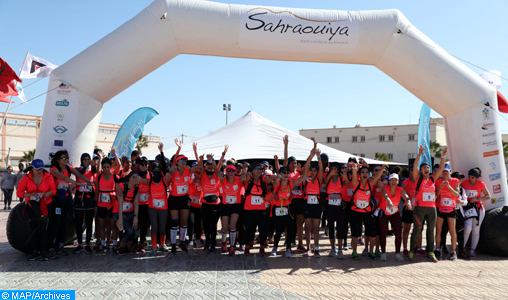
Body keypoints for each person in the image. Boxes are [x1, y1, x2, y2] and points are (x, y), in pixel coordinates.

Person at [49, 150, 92, 258]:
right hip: (56, 199)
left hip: (66, 198)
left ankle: (60, 246)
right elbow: (63, 178)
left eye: (67, 157)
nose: (66, 159)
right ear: (58, 160)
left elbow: (78, 174)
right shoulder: (54, 170)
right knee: (56, 223)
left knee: (64, 222)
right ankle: (51, 247)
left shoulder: (68, 168)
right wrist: (75, 182)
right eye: (63, 158)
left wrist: (87, 180)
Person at [408, 145, 447, 263]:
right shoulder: (417, 178)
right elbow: (415, 166)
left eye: (428, 167)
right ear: (421, 170)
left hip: (432, 209)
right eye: (424, 167)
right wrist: (419, 154)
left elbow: (441, 168)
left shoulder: (432, 179)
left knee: (431, 230)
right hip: (419, 209)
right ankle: (411, 251)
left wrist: (443, 156)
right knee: (417, 229)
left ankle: (430, 252)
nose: (427, 169)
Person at [17, 159, 56, 261]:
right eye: (37, 169)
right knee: (32, 228)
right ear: (32, 168)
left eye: (41, 169)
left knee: (44, 228)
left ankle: (44, 251)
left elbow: (53, 190)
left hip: (45, 204)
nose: (39, 171)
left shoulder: (48, 177)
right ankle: (35, 251)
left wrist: (48, 193)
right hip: (32, 205)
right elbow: (19, 193)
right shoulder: (26, 178)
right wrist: (30, 194)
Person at [282, 135, 316, 253]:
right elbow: (285, 160)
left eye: (295, 163)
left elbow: (307, 164)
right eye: (292, 163)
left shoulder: (300, 172)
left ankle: (300, 243)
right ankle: (288, 241)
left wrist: (311, 154)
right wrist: (286, 145)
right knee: (289, 223)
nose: (294, 165)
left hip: (300, 200)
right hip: (290, 200)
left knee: (300, 223)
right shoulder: (287, 173)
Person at [193, 142, 227, 253]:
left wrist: (218, 157)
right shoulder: (203, 174)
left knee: (213, 224)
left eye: (211, 164)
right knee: (206, 224)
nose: (209, 166)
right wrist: (199, 156)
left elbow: (217, 166)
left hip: (215, 204)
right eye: (207, 165)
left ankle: (213, 241)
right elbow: (200, 165)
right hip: (205, 203)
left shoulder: (217, 174)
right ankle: (208, 241)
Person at [349, 161, 387, 260]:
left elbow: (377, 177)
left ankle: (371, 251)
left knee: (373, 232)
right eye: (362, 172)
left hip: (367, 211)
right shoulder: (356, 183)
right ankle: (354, 251)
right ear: (360, 175)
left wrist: (382, 168)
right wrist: (354, 168)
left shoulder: (370, 184)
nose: (365, 173)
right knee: (355, 233)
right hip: (356, 212)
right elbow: (354, 176)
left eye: (366, 172)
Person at [167, 139, 195, 254]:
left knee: (184, 222)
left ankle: (182, 242)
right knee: (175, 222)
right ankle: (173, 244)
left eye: (185, 160)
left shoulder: (188, 170)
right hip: (174, 199)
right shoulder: (173, 170)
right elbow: (173, 161)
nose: (184, 161)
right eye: (181, 160)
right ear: (177, 162)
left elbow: (197, 168)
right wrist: (179, 148)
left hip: (184, 199)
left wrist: (198, 156)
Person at [243, 162, 275, 256]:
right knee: (248, 228)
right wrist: (247, 173)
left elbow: (269, 179)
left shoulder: (263, 179)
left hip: (261, 208)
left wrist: (274, 175)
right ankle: (247, 246)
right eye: (256, 169)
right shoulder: (249, 179)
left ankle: (261, 246)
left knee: (263, 228)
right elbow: (244, 178)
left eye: (260, 169)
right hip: (249, 208)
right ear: (252, 170)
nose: (259, 170)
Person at [140, 161, 171, 253]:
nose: (156, 172)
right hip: (152, 208)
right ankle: (154, 245)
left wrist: (162, 152)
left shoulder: (165, 181)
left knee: (162, 227)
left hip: (163, 208)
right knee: (154, 227)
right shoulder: (149, 181)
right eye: (155, 170)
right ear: (152, 171)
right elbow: (138, 178)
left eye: (158, 170)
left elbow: (168, 172)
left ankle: (162, 243)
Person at [379, 174, 411, 262]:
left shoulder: (400, 189)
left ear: (398, 181)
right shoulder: (385, 189)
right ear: (389, 181)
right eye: (391, 179)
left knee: (398, 233)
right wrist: (389, 201)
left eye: (395, 180)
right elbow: (385, 195)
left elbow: (405, 194)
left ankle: (397, 253)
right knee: (383, 233)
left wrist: (408, 200)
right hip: (384, 212)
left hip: (394, 213)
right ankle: (383, 253)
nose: (393, 181)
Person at [462, 167, 491, 257]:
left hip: (479, 209)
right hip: (468, 209)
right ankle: (462, 248)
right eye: (469, 177)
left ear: (477, 177)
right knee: (467, 228)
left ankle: (472, 250)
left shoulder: (481, 184)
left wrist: (477, 199)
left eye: (473, 177)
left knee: (476, 230)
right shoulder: (464, 183)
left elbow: (488, 196)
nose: (470, 179)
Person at [440, 171, 469, 259]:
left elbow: (466, 202)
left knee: (459, 232)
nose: (459, 180)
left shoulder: (462, 189)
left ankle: (460, 250)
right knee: (444, 231)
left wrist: (462, 202)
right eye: (457, 178)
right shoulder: (445, 186)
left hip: (458, 212)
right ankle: (443, 247)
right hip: (447, 211)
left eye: (460, 178)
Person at [434, 163, 461, 261]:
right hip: (441, 209)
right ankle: (437, 249)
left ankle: (453, 251)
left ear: (450, 172)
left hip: (451, 209)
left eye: (446, 171)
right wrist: (440, 188)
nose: (445, 173)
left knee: (452, 231)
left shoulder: (455, 181)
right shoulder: (438, 181)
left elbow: (456, 194)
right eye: (443, 171)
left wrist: (448, 186)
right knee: (438, 230)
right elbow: (436, 196)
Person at [73, 153, 98, 254]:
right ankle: (79, 244)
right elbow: (79, 174)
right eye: (85, 160)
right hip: (79, 198)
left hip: (89, 199)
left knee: (89, 223)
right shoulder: (77, 168)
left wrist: (93, 165)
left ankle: (87, 244)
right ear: (82, 160)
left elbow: (96, 172)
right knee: (79, 223)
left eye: (88, 159)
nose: (86, 161)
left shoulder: (92, 169)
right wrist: (86, 166)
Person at [301, 149, 324, 257]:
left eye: (315, 170)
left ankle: (316, 248)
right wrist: (311, 155)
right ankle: (308, 248)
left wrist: (318, 157)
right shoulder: (306, 179)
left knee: (316, 227)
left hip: (317, 205)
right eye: (312, 170)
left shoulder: (319, 179)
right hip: (307, 204)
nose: (313, 172)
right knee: (308, 227)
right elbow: (306, 167)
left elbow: (321, 170)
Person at [323, 162, 348, 259]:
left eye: (336, 168)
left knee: (340, 226)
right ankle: (333, 248)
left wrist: (345, 175)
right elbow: (324, 181)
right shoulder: (328, 177)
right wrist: (330, 174)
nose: (334, 170)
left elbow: (348, 184)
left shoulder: (341, 178)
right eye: (332, 168)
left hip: (339, 204)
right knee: (331, 226)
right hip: (329, 204)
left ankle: (340, 249)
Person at [219, 164, 246, 256]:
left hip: (236, 205)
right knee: (225, 227)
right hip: (225, 206)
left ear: (235, 172)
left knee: (233, 225)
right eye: (228, 171)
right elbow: (220, 176)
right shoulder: (224, 180)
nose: (230, 172)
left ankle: (232, 246)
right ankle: (223, 243)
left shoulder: (238, 180)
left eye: (232, 171)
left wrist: (245, 171)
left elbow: (244, 177)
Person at [94, 157, 119, 253]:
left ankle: (114, 244)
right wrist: (96, 204)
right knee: (101, 224)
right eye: (104, 167)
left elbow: (118, 191)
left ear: (111, 167)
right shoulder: (99, 176)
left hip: (112, 204)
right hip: (101, 204)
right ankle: (103, 243)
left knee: (113, 224)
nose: (106, 169)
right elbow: (96, 191)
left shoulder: (115, 177)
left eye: (108, 167)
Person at [270, 166, 295, 258]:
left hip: (288, 207)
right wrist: (278, 177)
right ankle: (275, 247)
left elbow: (298, 181)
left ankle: (288, 248)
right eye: (284, 172)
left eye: (287, 172)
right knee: (279, 230)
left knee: (289, 230)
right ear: (280, 174)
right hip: (277, 207)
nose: (286, 174)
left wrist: (303, 177)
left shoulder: (290, 183)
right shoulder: (278, 182)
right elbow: (276, 182)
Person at [401, 165, 425, 257]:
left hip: (419, 208)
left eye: (417, 170)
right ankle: (405, 248)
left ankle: (418, 248)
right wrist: (406, 197)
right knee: (406, 229)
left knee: (419, 229)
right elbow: (401, 190)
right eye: (412, 170)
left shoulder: (421, 181)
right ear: (410, 172)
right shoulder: (406, 181)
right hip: (408, 208)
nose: (415, 171)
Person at [114, 172, 141, 255]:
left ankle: (127, 246)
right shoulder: (122, 186)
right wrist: (120, 219)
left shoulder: (136, 188)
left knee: (136, 230)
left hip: (129, 211)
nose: (135, 179)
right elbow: (120, 202)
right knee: (129, 230)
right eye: (133, 177)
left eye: (137, 177)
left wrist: (136, 217)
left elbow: (136, 203)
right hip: (118, 211)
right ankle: (120, 247)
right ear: (129, 178)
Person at [134, 156, 151, 252]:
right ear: (138, 165)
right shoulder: (135, 174)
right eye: (142, 164)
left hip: (146, 203)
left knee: (144, 224)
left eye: (146, 164)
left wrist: (142, 180)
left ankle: (142, 243)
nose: (145, 166)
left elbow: (150, 182)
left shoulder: (150, 174)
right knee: (136, 224)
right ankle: (135, 242)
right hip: (136, 203)